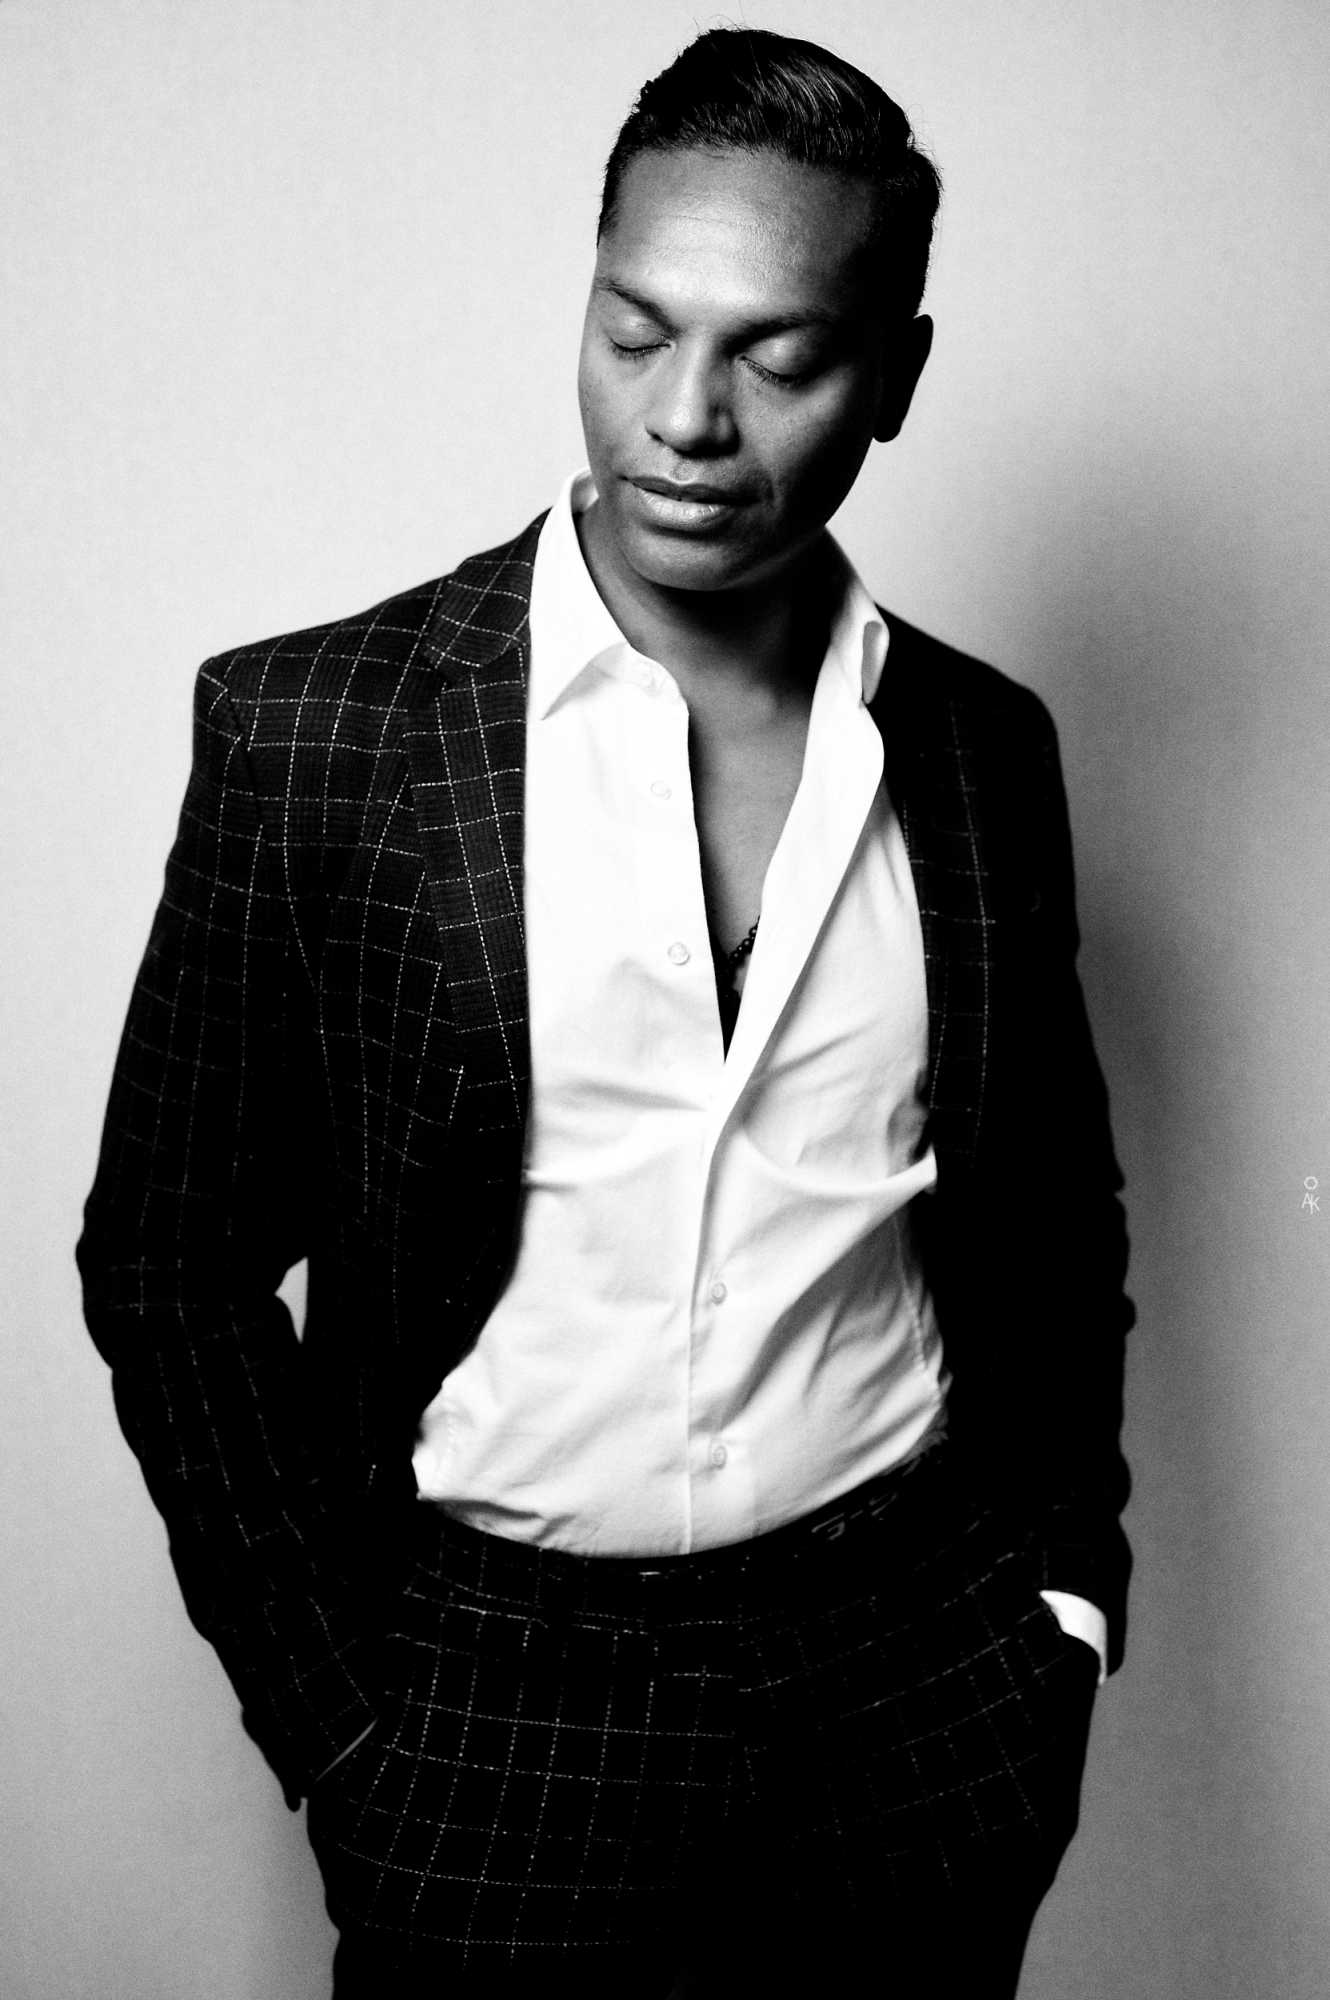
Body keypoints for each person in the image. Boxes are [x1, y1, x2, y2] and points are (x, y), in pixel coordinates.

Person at [78, 27, 1133, 1999]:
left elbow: (1046, 1226)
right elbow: (169, 1261)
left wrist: (1055, 1610)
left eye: (776, 356)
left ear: (895, 376)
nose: (683, 419)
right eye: (634, 330)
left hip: (914, 1701)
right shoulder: (319, 736)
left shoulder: (982, 753)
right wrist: (340, 1721)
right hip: (486, 1720)